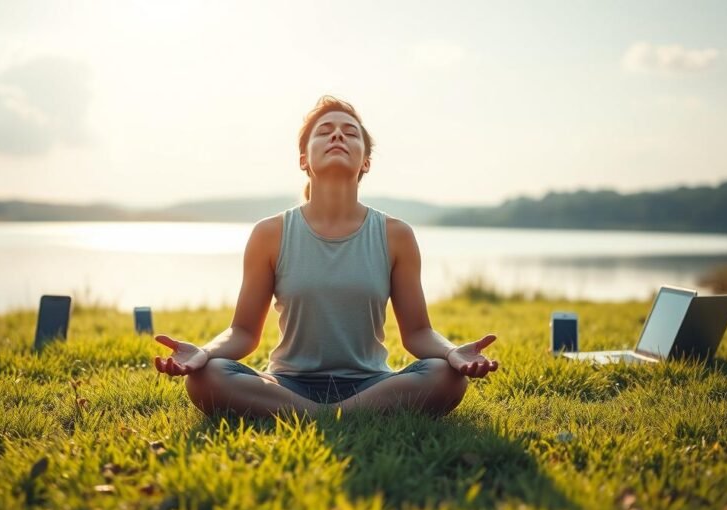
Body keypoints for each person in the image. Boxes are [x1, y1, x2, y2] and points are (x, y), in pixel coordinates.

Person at [153, 96, 498, 418]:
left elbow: (419, 333)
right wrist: (205, 353)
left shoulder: (396, 235)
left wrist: (452, 353)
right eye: (325, 132)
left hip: (371, 383)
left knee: (446, 377)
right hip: (288, 384)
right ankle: (336, 417)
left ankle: (319, 416)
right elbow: (243, 331)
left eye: (350, 133)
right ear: (304, 159)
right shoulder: (269, 233)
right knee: (206, 378)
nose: (337, 136)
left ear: (365, 161)